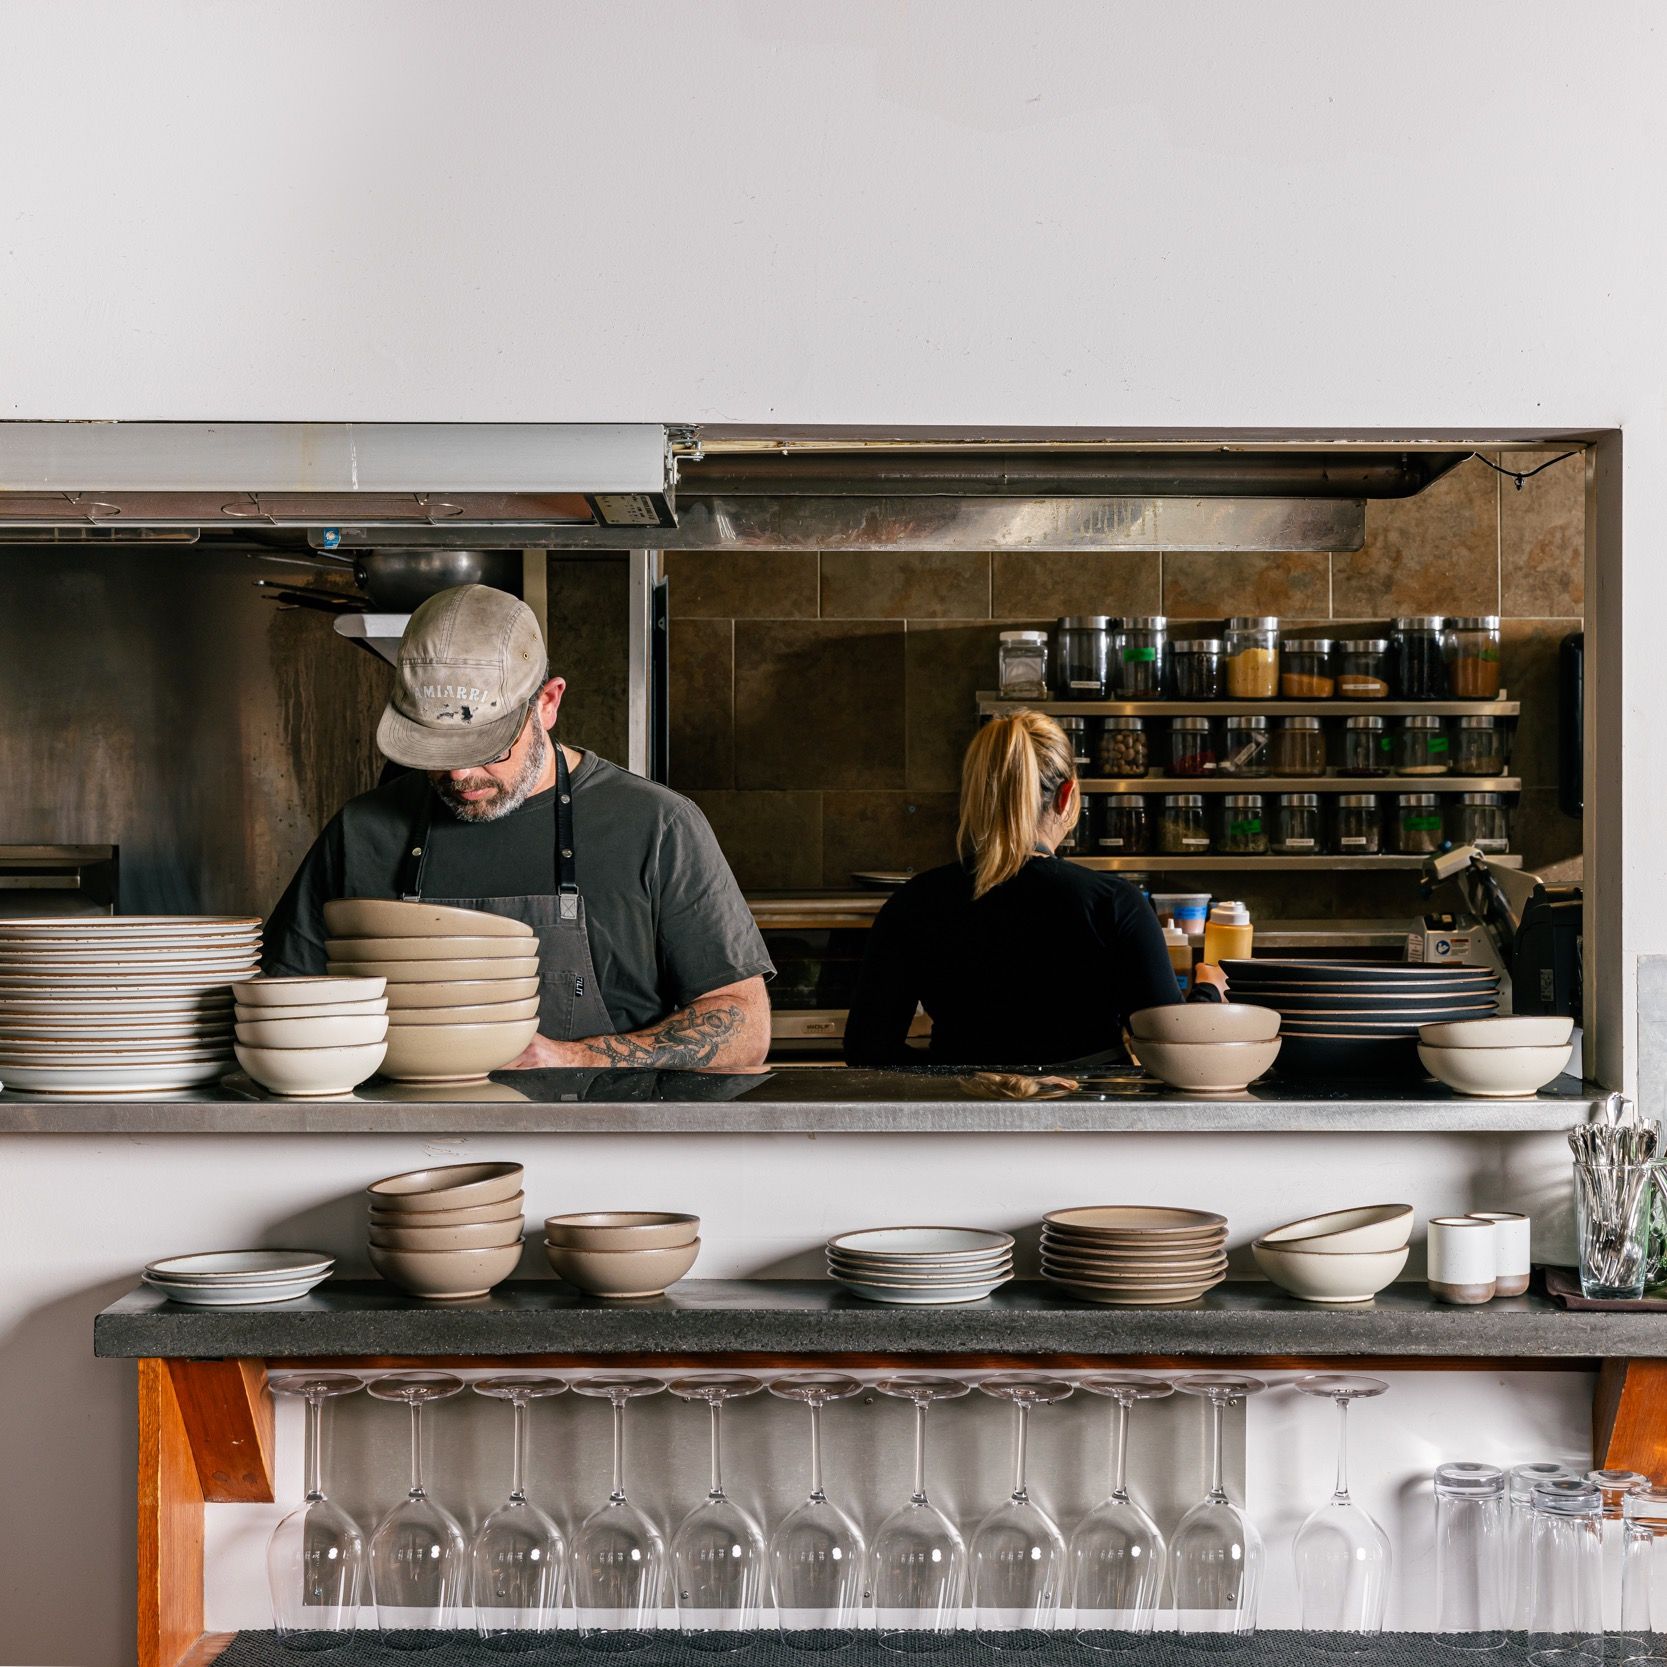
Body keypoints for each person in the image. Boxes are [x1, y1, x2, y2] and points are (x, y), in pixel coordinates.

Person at [263, 584, 773, 1069]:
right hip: (404, 1135)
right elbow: (284, 1000)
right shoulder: (362, 831)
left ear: (547, 703)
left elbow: (745, 1026)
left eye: (487, 748)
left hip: (607, 1143)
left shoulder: (657, 826)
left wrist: (575, 1056)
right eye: (436, 750)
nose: (459, 775)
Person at [842, 711, 1223, 1069]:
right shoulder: (1113, 902)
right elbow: (1174, 1048)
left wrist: (957, 1075)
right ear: (1067, 795)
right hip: (1090, 1126)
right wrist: (1209, 990)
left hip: (962, 1128)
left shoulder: (913, 903)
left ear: (975, 793)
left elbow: (868, 1050)